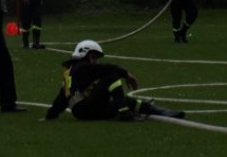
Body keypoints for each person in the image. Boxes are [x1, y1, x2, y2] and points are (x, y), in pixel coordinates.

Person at [45, 39, 185, 122]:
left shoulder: (72, 72)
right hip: (86, 109)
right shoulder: (81, 67)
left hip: (86, 111)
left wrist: (51, 115)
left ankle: (162, 112)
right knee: (111, 77)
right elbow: (107, 68)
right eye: (93, 57)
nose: (94, 61)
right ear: (84, 54)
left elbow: (61, 98)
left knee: (127, 101)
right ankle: (125, 114)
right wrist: (127, 74)